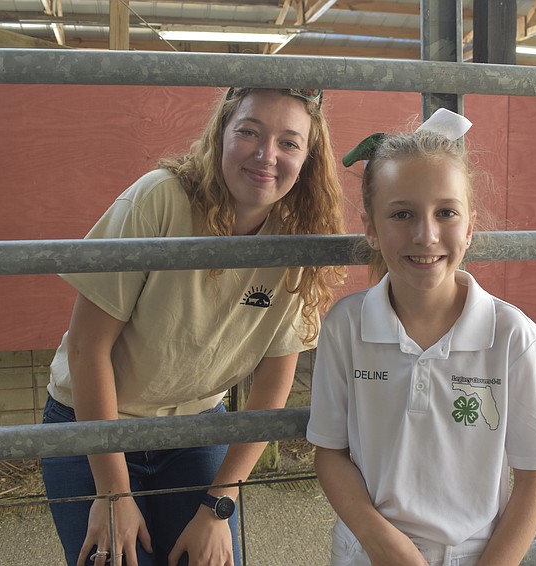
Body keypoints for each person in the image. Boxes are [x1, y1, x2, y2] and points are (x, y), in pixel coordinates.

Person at [41, 87, 345, 566]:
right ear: (221, 133)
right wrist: (114, 493)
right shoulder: (159, 199)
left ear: (308, 159)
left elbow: (272, 384)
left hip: (195, 427)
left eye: (289, 142)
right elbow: (86, 348)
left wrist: (219, 506)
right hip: (93, 421)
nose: (267, 155)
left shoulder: (298, 239)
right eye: (249, 132)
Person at [306, 124, 536, 566]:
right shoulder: (345, 327)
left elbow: (534, 480)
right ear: (371, 228)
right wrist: (381, 543)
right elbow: (330, 454)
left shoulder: (512, 337)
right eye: (401, 214)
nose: (425, 235)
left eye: (446, 212)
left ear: (470, 227)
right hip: (368, 553)